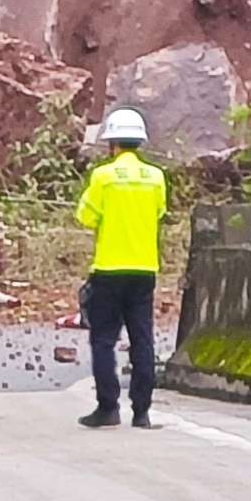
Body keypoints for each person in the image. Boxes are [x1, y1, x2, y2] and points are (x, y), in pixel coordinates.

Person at [71, 106, 168, 430]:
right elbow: (158, 213)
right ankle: (142, 412)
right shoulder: (156, 177)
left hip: (109, 269)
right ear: (139, 142)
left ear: (112, 144)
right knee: (142, 339)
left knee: (103, 340)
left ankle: (107, 407)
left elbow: (85, 216)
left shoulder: (103, 176)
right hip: (143, 270)